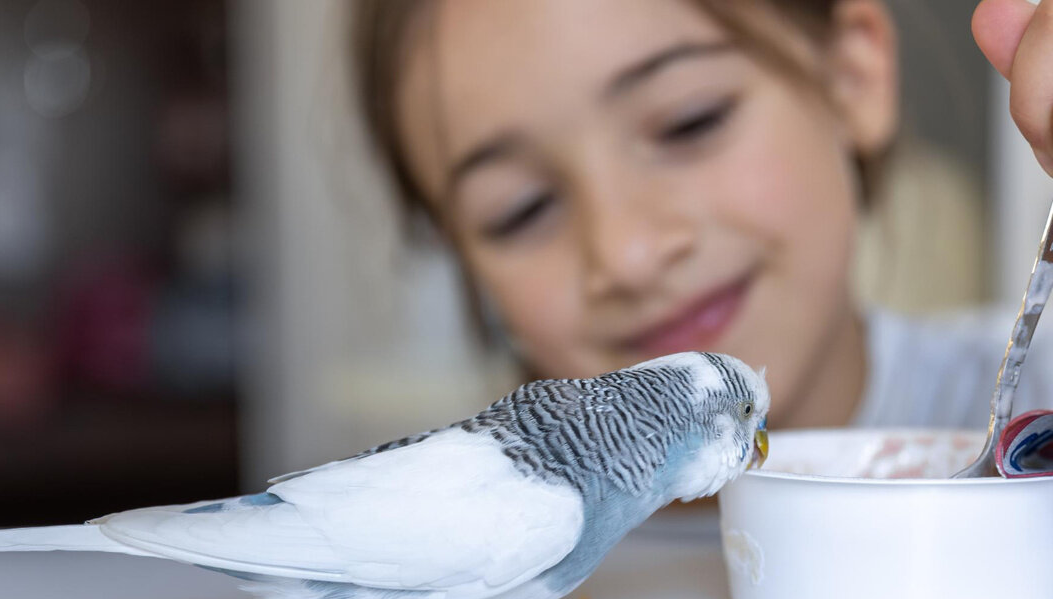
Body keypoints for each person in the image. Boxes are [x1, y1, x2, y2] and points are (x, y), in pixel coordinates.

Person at [349, 0, 1053, 432]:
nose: (626, 253)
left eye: (690, 123)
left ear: (852, 76)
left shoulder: (1037, 400)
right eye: (520, 210)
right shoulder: (460, 577)